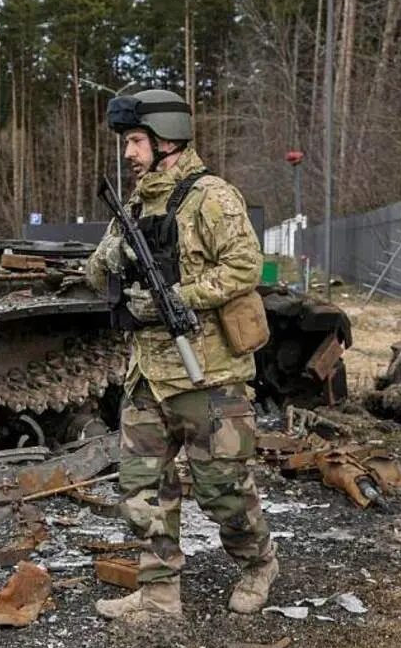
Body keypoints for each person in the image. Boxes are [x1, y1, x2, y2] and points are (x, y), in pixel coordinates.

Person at [85, 88, 278, 620]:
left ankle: (259, 564)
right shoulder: (131, 205)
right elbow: (94, 273)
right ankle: (158, 595)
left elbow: (245, 267)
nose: (128, 153)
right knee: (141, 488)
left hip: (209, 372)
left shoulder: (212, 197)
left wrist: (177, 298)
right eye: (127, 142)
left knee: (223, 490)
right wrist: (111, 254)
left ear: (167, 138)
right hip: (147, 373)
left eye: (136, 141)